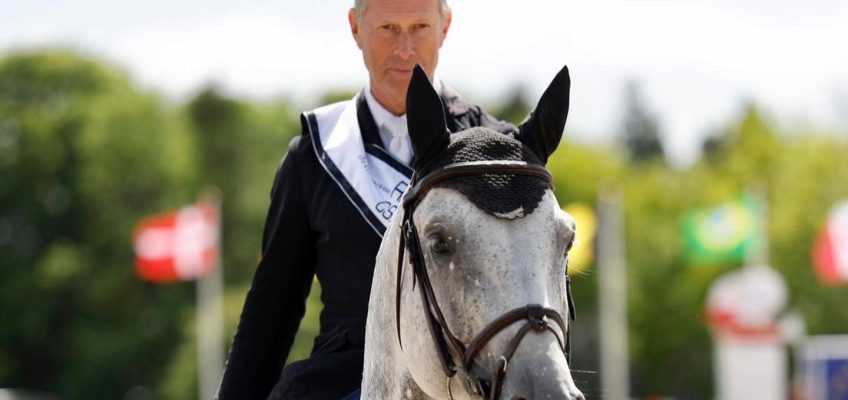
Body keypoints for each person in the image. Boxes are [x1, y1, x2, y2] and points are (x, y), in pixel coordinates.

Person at [216, 0, 515, 398]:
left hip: (467, 381)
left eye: (420, 28)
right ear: (356, 27)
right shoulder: (316, 154)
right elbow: (272, 311)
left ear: (445, 28)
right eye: (388, 27)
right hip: (346, 380)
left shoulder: (499, 151)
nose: (405, 49)